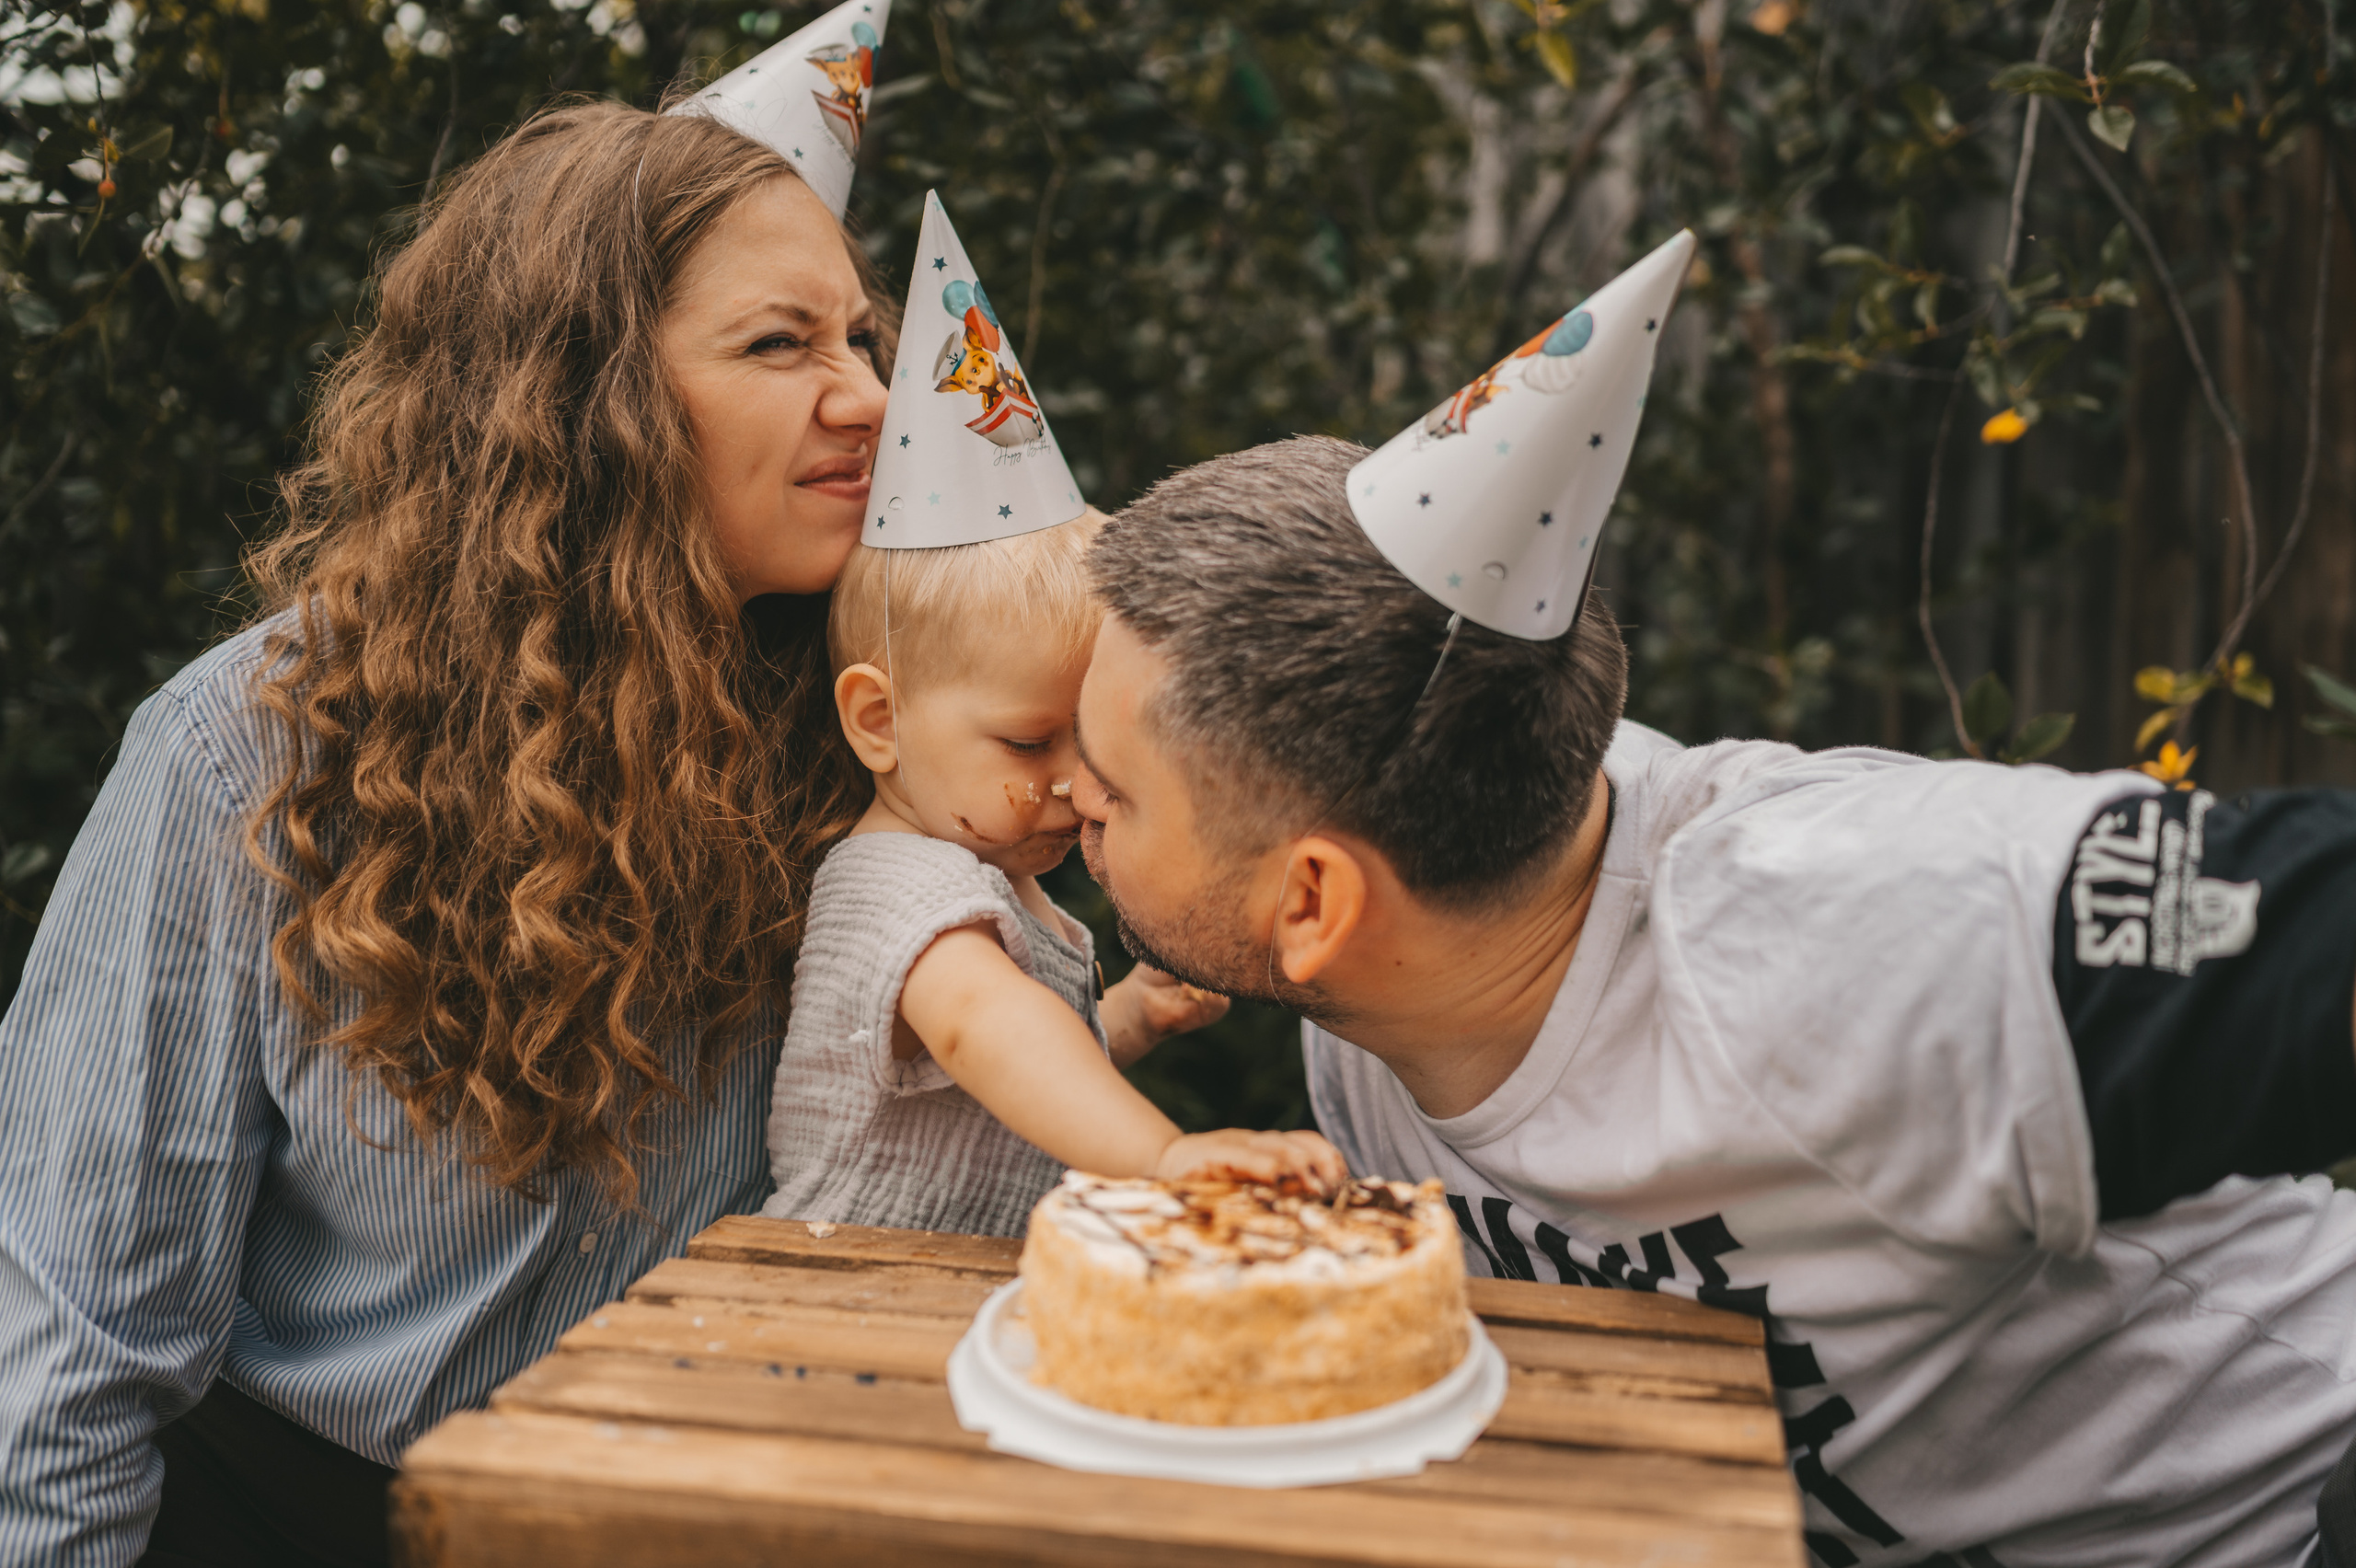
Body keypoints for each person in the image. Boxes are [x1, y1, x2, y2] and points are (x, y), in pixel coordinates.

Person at [1068, 432, 2356, 1568]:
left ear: (1311, 903)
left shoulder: (1846, 928)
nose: (1070, 795)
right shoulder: (1379, 1005)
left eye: (1112, 788)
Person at [0, 99, 895, 1566]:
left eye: (859, 338)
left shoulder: (872, 725)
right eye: (781, 345)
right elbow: (68, 1351)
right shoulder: (250, 754)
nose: (866, 392)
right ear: (576, 398)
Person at [760, 520, 1344, 1237]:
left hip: (933, 1285)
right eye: (1029, 743)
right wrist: (1164, 1154)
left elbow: (996, 1089)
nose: (1077, 785)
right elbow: (984, 1027)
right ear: (880, 722)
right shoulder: (890, 882)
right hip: (838, 1282)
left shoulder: (985, 870)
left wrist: (1130, 1017)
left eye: (1097, 745)